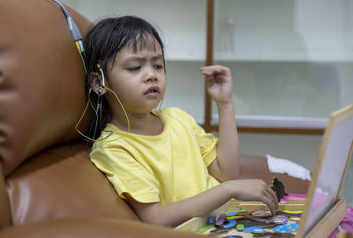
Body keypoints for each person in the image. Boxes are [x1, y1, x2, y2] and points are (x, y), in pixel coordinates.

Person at [83, 15, 278, 227]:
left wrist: (225, 104)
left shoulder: (178, 118)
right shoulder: (114, 148)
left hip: (226, 223)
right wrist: (227, 190)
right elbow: (155, 217)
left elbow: (227, 172)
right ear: (99, 82)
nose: (151, 75)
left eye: (157, 65)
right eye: (135, 67)